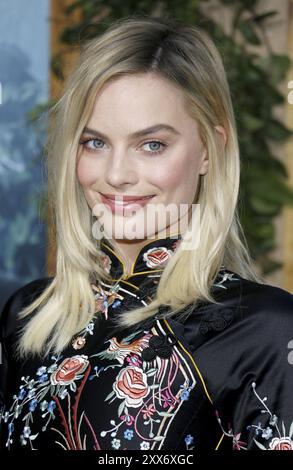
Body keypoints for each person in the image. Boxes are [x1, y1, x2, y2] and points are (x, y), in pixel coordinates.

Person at [0, 15, 292, 452]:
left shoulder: (264, 330)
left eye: (152, 144)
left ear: (209, 151)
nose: (116, 175)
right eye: (94, 142)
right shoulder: (28, 317)